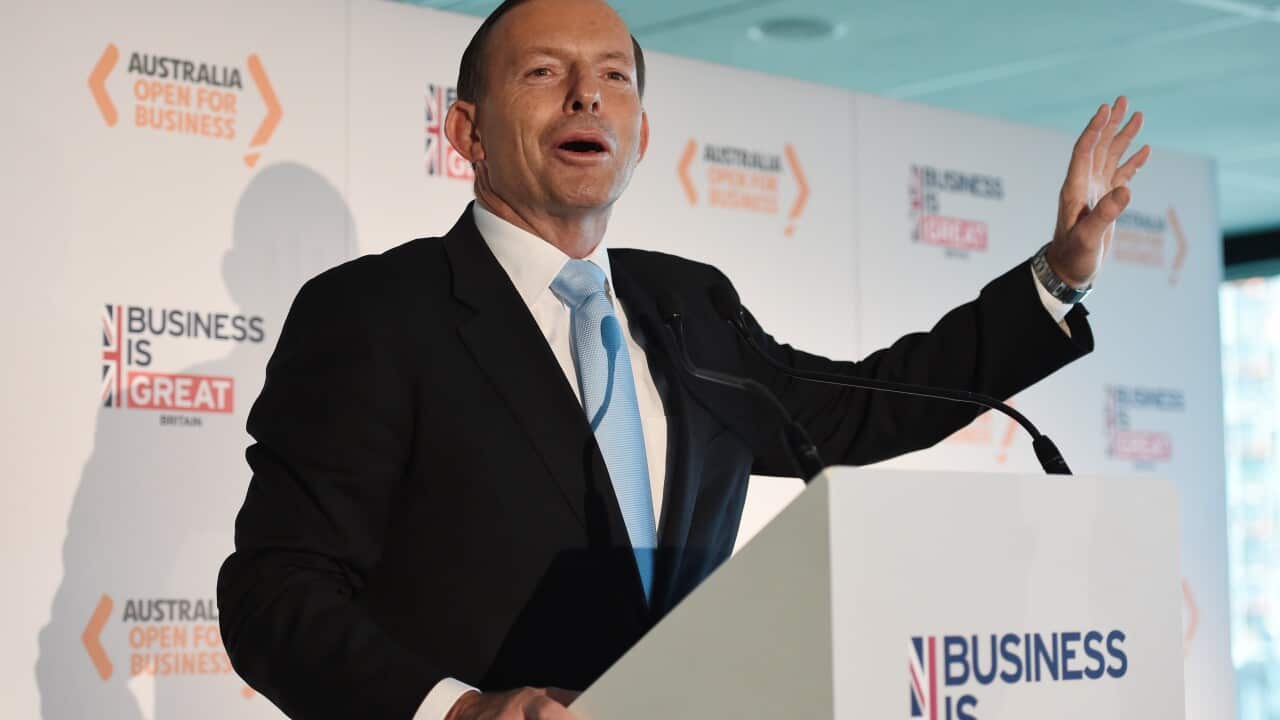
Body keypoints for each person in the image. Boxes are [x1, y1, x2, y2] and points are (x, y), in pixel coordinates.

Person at [216, 0, 1150, 718]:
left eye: (615, 77)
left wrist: (1054, 282)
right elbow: (272, 594)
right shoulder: (376, 314)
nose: (587, 95)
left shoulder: (687, 305)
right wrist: (457, 707)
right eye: (545, 71)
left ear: (642, 136)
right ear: (464, 133)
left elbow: (862, 407)